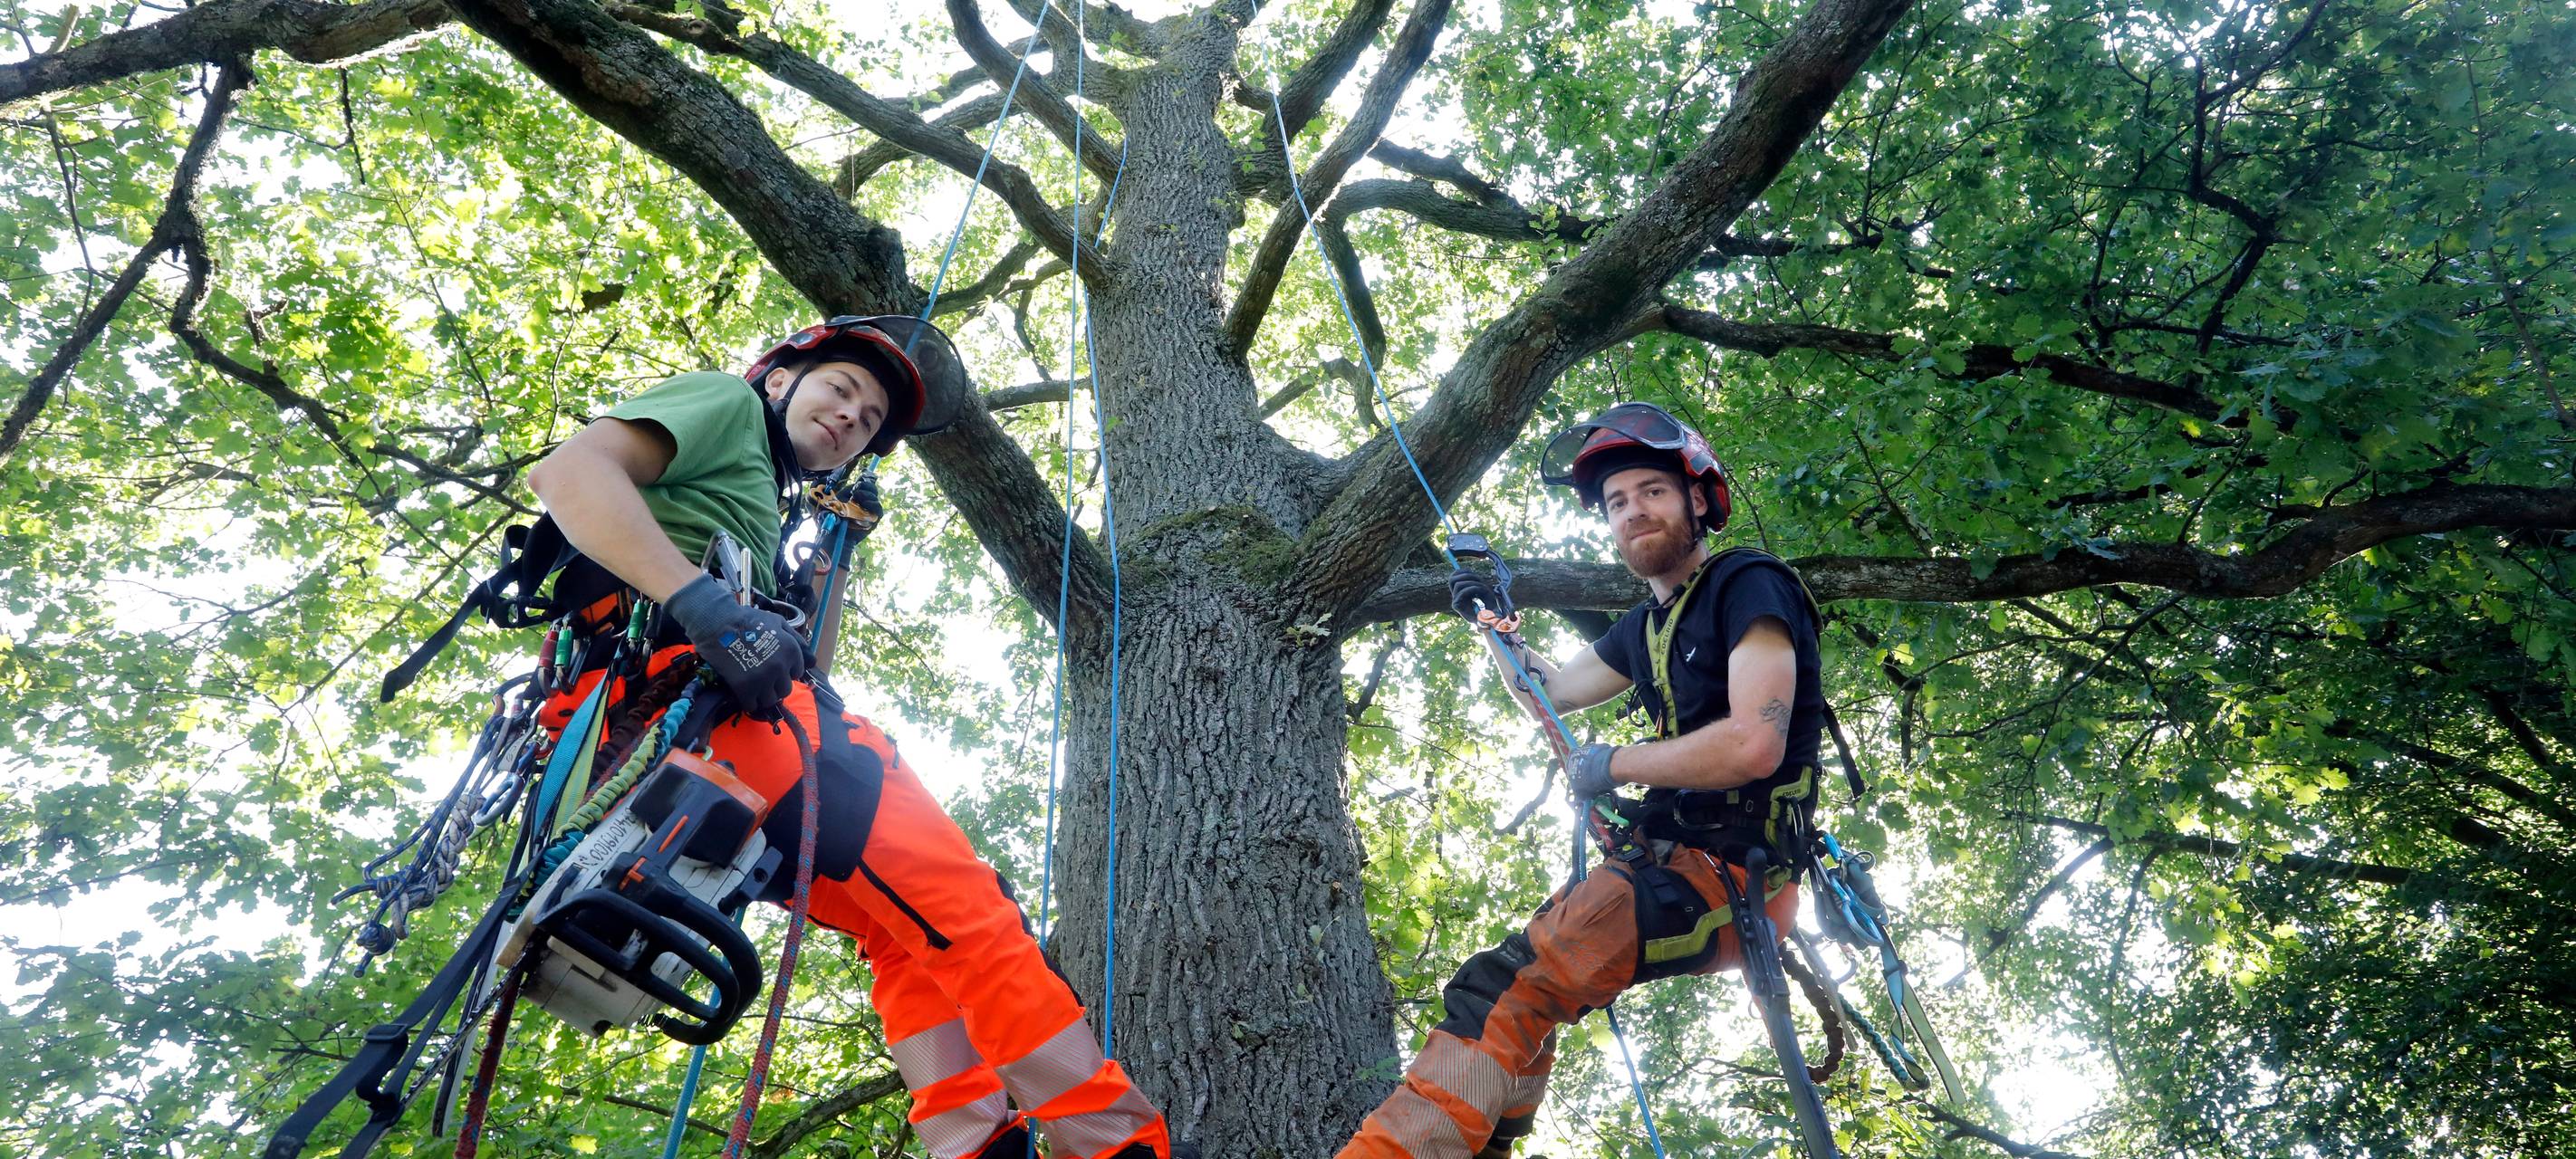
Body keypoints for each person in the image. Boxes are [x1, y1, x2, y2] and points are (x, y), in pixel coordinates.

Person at [523, 316, 1170, 1159]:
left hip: (701, 737)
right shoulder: (725, 403)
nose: (850, 417)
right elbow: (568, 472)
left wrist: (832, 557)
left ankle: (974, 1144)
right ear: (780, 380)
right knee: (969, 909)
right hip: (711, 715)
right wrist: (704, 604)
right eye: (840, 389)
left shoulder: (762, 503)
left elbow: (806, 670)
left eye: (868, 420)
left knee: (902, 934)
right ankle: (1117, 1146)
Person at [1339, 402, 1829, 1159]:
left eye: (1652, 491)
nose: (1633, 511)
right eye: (1617, 502)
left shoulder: (1748, 584)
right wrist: (1493, 623)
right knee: (1509, 994)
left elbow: (1753, 745)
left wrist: (1614, 762)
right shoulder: (1643, 628)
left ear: (1699, 499)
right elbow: (1551, 692)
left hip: (1737, 876)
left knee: (1510, 988)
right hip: (1674, 866)